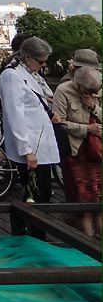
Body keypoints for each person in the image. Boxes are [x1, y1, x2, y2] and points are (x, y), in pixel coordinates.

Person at [0, 36, 60, 205]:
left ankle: (36, 230)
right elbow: (14, 115)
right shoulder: (12, 76)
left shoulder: (27, 73)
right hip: (31, 147)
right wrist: (26, 150)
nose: (43, 65)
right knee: (35, 197)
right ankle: (33, 231)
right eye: (41, 62)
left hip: (40, 144)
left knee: (43, 194)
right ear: (27, 57)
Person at [52, 66, 102, 238]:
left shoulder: (97, 91)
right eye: (90, 90)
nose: (94, 93)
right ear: (79, 85)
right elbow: (59, 124)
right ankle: (87, 242)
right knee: (83, 200)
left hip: (98, 153)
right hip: (76, 153)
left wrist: (94, 106)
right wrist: (87, 129)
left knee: (99, 200)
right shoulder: (63, 91)